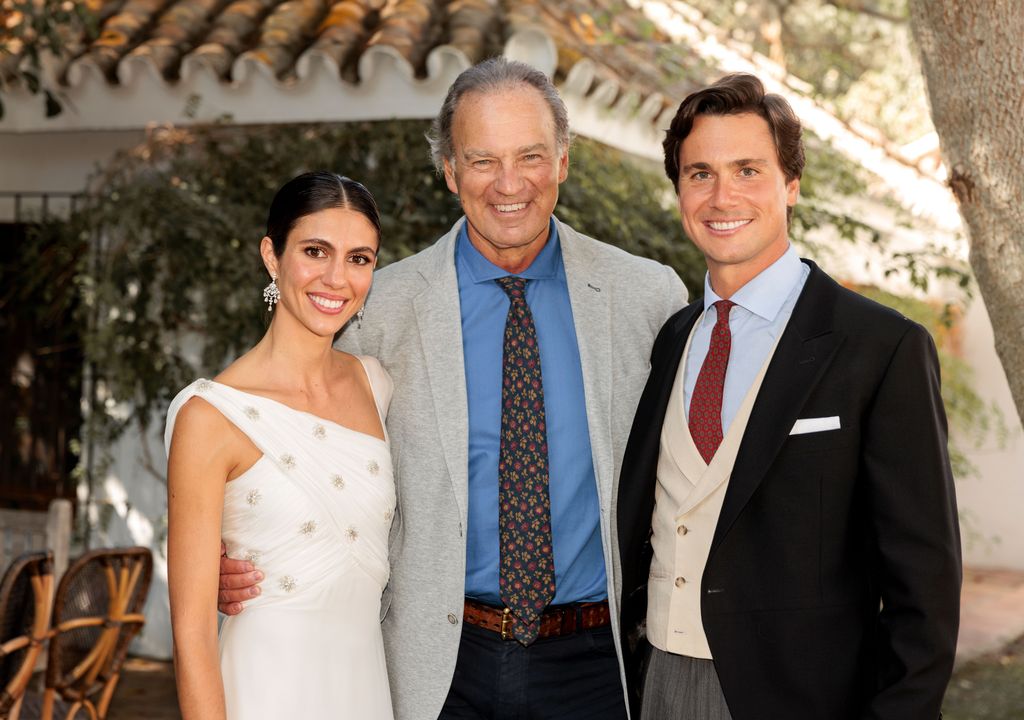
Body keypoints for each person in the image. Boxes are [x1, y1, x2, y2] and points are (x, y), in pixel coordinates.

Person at [217, 58, 688, 719]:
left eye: (529, 156)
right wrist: (225, 547)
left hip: (594, 666)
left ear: (562, 162)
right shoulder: (378, 311)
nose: (509, 183)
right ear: (449, 172)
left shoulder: (649, 297)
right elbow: (287, 437)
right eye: (482, 160)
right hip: (437, 666)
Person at [616, 73, 962, 720]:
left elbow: (925, 585)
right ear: (679, 190)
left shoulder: (879, 347)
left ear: (791, 184)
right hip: (658, 679)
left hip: (806, 697)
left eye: (748, 169)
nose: (722, 196)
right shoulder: (673, 339)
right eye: (699, 174)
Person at [166, 172, 395, 719]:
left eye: (359, 258)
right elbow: (192, 631)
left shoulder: (376, 385)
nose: (336, 278)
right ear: (272, 256)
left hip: (365, 689)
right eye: (316, 251)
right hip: (263, 690)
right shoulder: (209, 415)